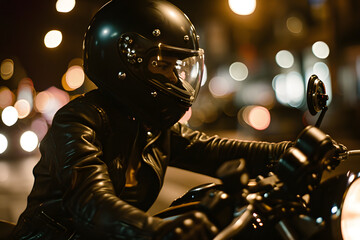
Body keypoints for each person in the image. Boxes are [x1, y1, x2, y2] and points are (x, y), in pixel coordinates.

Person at [11, 0, 337, 239]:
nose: (176, 78)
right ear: (129, 62)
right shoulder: (78, 120)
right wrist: (158, 232)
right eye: (164, 65)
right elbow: (92, 203)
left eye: (178, 67)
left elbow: (212, 149)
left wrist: (288, 153)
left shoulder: (149, 126)